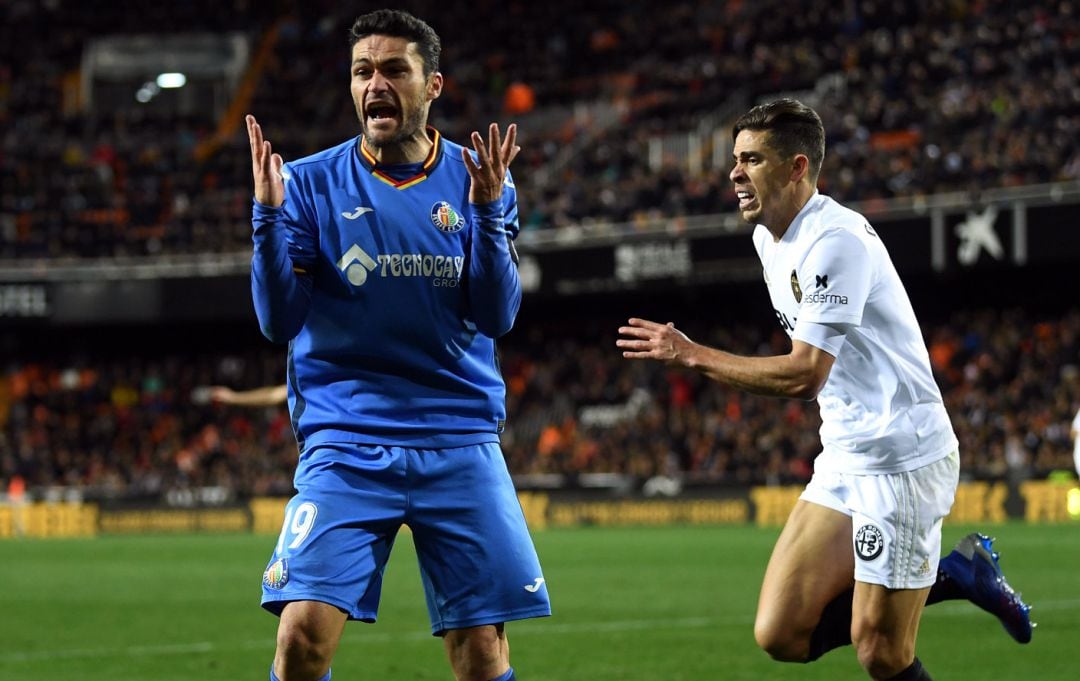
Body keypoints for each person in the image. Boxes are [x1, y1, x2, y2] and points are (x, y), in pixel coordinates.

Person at [617, 98, 1031, 681]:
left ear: (796, 167)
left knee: (881, 652)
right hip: (846, 453)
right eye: (735, 158)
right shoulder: (769, 237)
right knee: (779, 632)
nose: (734, 172)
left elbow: (804, 373)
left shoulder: (836, 242)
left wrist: (692, 354)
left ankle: (951, 576)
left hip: (901, 458)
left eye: (752, 159)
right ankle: (956, 574)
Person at [244, 9, 549, 681]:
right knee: (300, 639)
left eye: (393, 70)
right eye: (362, 71)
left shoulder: (478, 178)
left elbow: (497, 316)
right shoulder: (307, 184)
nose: (375, 83)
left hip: (459, 435)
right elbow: (277, 320)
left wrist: (491, 213)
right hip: (347, 437)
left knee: (481, 652)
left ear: (431, 84)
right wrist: (267, 220)